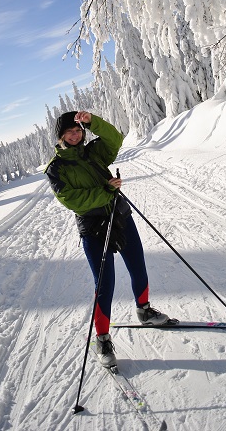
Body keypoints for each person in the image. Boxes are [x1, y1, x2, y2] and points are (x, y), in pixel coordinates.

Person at [44, 111, 169, 368]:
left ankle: (144, 310)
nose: (75, 134)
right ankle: (102, 339)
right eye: (69, 131)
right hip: (93, 228)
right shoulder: (56, 169)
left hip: (119, 215)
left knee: (138, 266)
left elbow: (114, 139)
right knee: (105, 283)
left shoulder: (94, 151)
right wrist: (106, 190)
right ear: (60, 137)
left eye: (78, 129)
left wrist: (93, 121)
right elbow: (73, 201)